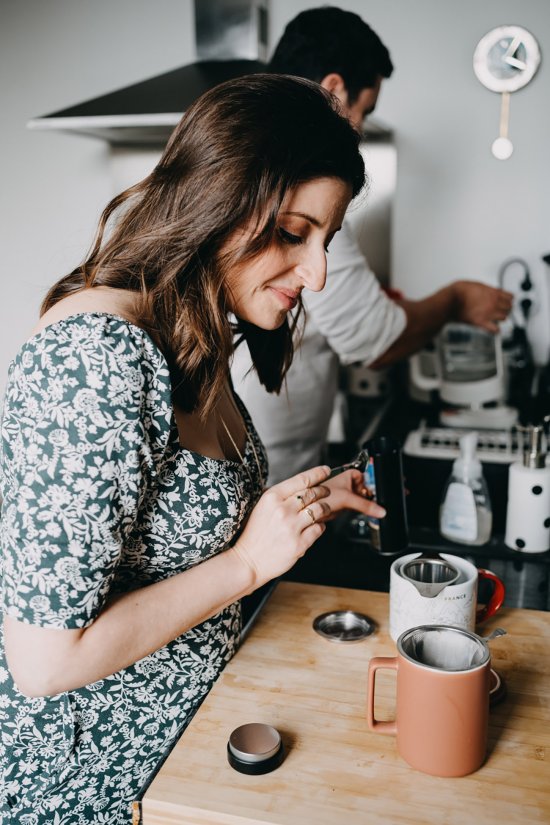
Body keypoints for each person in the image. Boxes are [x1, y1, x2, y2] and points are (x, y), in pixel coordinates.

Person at [0, 74, 383, 824]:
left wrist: (302, 507)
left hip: (189, 757)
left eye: (327, 240)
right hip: (94, 787)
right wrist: (247, 560)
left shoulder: (193, 340)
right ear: (220, 199)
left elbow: (187, 540)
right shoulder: (97, 357)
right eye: (295, 231)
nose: (319, 273)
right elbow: (46, 660)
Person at [232, 6, 514, 485]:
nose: (359, 127)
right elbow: (370, 338)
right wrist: (456, 301)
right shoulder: (297, 174)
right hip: (263, 472)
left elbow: (332, 305)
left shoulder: (254, 155)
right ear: (335, 90)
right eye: (365, 109)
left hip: (265, 457)